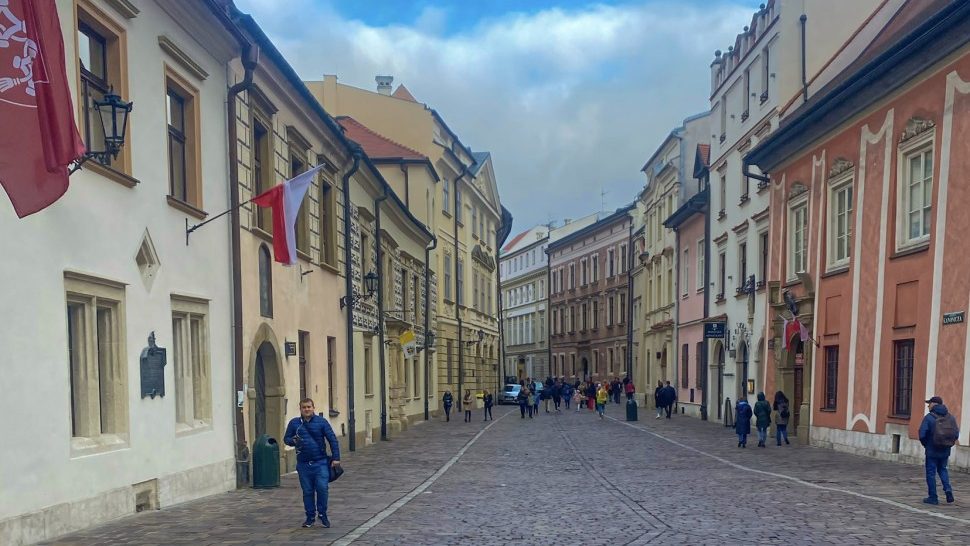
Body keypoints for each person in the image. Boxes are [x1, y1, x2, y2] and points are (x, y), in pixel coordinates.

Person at [283, 398, 341, 528]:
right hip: (303, 464)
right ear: (300, 409)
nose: (307, 409)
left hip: (320, 462)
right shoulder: (295, 423)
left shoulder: (322, 422)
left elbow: (332, 439)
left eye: (309, 407)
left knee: (322, 488)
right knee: (307, 491)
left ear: (313, 408)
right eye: (304, 407)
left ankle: (322, 514)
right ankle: (310, 517)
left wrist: (336, 458)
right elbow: (286, 439)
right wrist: (293, 440)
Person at [919, 396, 959, 504]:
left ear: (934, 404)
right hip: (945, 450)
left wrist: (926, 444)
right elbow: (956, 433)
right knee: (943, 470)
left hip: (932, 449)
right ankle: (948, 489)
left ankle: (933, 497)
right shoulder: (950, 417)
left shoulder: (929, 417)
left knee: (931, 473)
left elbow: (922, 434)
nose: (928, 405)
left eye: (929, 403)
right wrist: (948, 444)